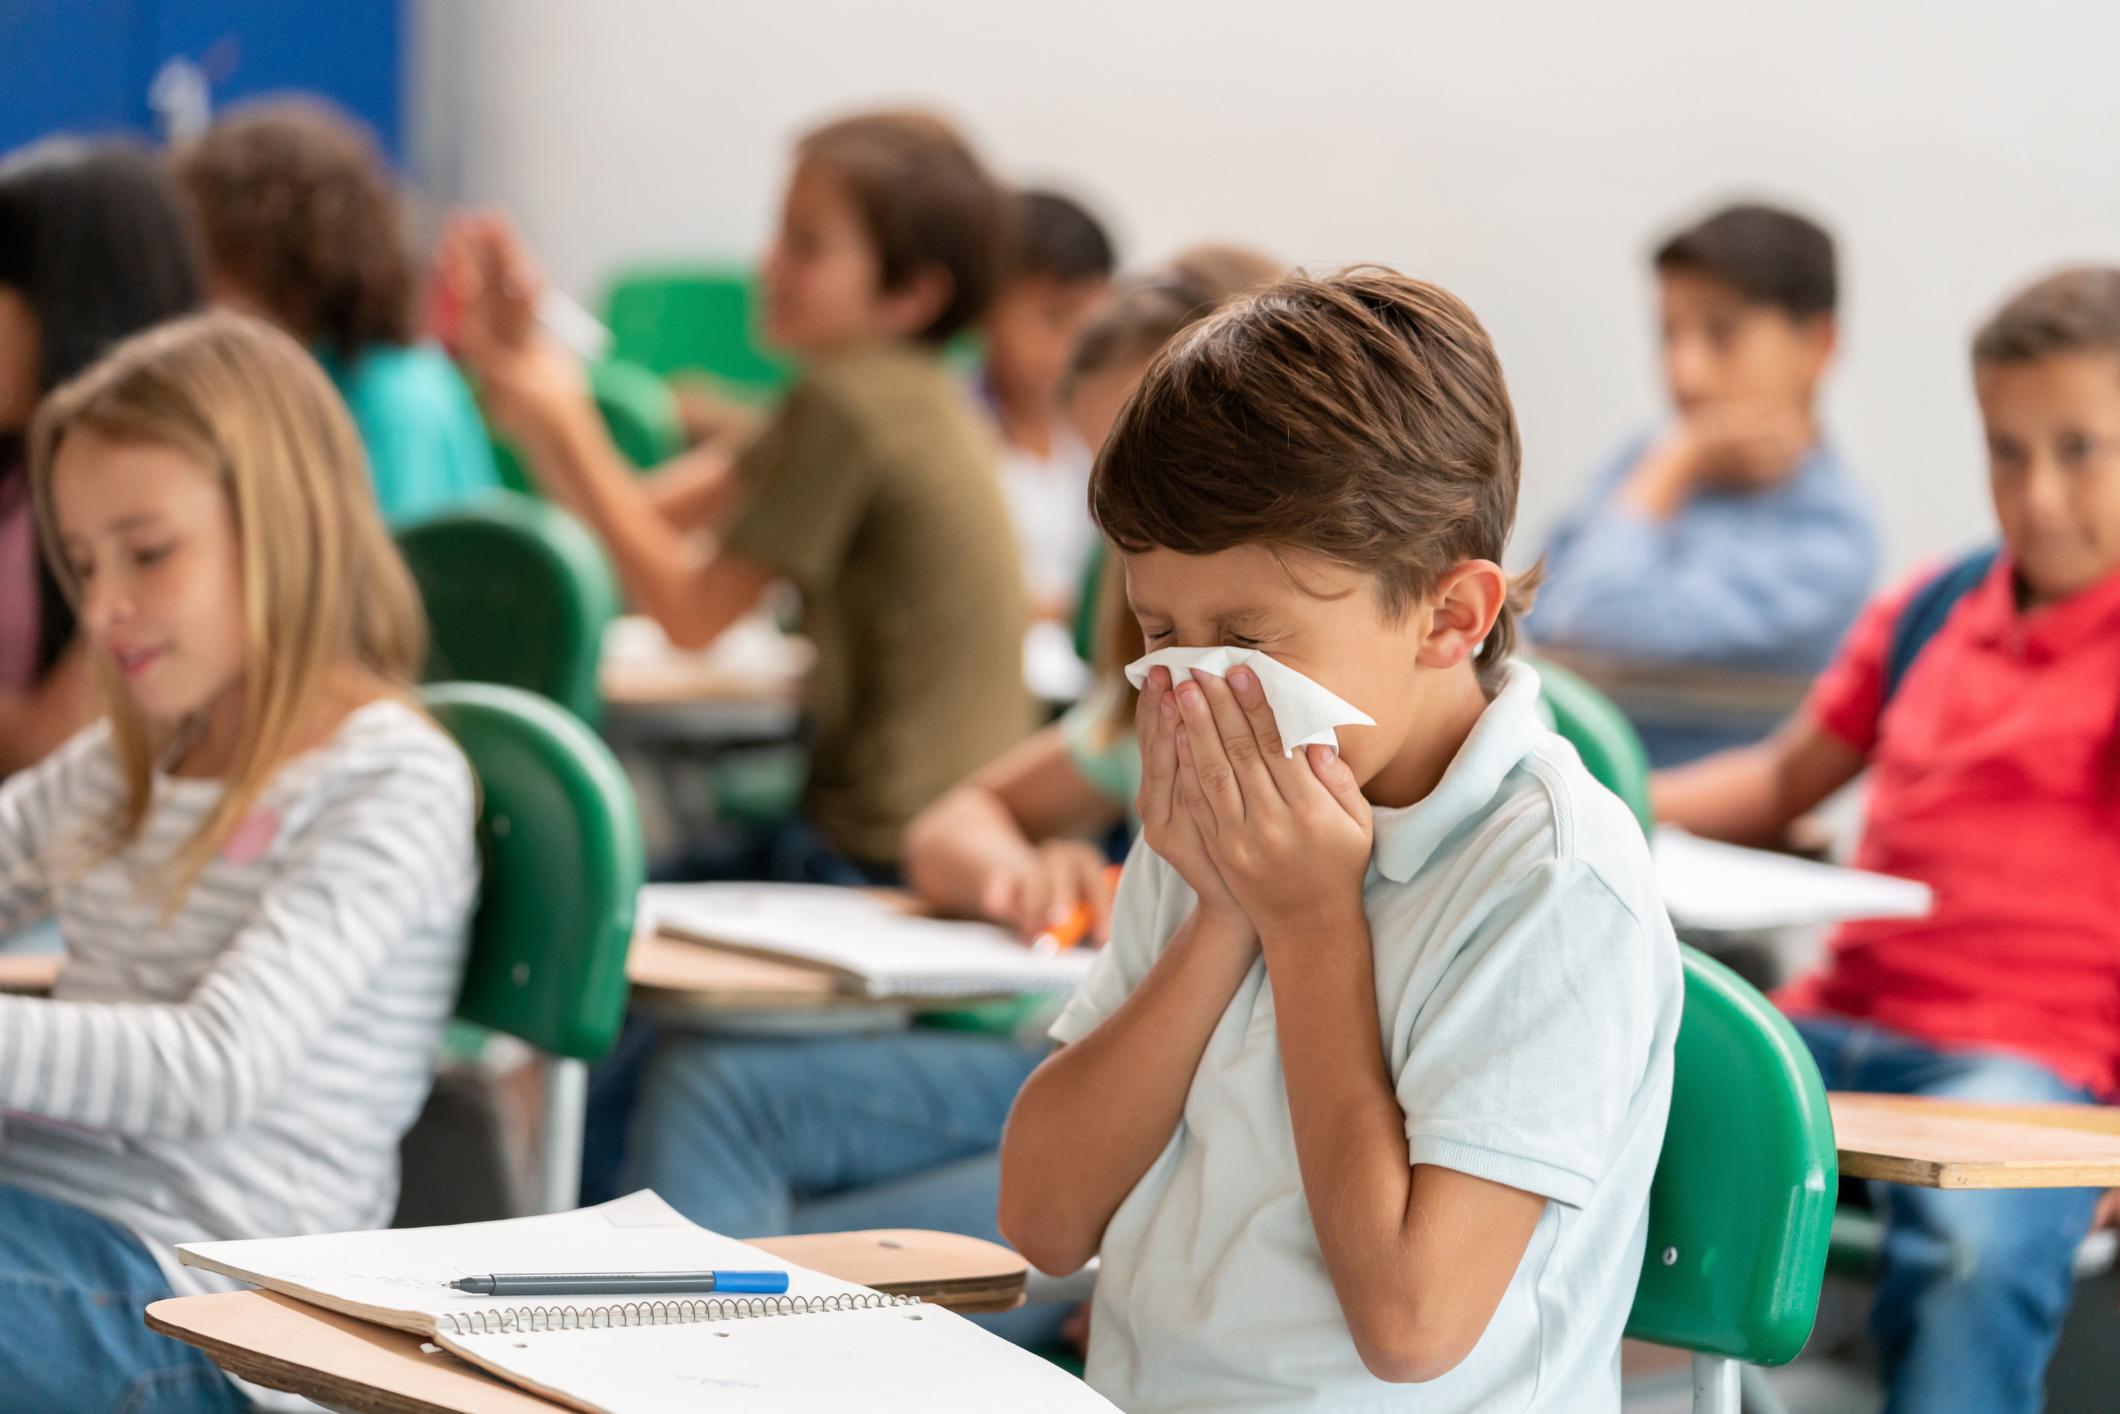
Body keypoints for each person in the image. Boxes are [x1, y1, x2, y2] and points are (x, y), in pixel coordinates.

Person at [999, 268, 1682, 1412]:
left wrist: (1309, 924)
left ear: (1446, 616)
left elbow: (1410, 1323)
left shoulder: (1550, 881)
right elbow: (1043, 1218)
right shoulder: (1227, 817)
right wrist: (1223, 912)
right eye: (1162, 632)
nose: (1199, 684)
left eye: (1249, 640)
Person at [591, 253, 1284, 1352]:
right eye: (1110, 481)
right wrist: (1017, 873)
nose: (1132, 524)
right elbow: (949, 826)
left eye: (1163, 471)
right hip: (1069, 1060)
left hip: (1158, 1123)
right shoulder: (1157, 691)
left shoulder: (1282, 709)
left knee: (745, 1204)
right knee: (715, 1142)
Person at [1655, 265, 2120, 1414]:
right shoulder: (1933, 609)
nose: (2036, 493)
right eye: (2004, 450)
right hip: (1838, 1023)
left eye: (2078, 449)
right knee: (1589, 1076)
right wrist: (1602, 798)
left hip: (2021, 1065)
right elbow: (1776, 777)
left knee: (1967, 1246)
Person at [0, 310, 479, 1409]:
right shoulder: (131, 759)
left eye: (149, 551)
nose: (106, 606)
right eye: (81, 562)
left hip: (217, 1305)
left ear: (282, 527)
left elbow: (218, 1064)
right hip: (49, 1235)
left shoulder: (391, 782)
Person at [444, 109, 1031, 881]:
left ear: (913, 295)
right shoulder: (882, 392)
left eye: (807, 246)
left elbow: (689, 614)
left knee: (577, 898)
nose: (770, 265)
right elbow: (637, 520)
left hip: (883, 856)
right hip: (923, 836)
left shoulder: (849, 409)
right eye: (780, 234)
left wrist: (569, 421)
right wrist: (536, 387)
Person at [1529, 202, 1878, 763]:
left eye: (1722, 334)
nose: (1683, 370)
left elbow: (1586, 624)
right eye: (1669, 334)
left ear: (1818, 346)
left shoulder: (1830, 539)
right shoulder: (1647, 458)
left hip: (1686, 832)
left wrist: (1676, 462)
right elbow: (1520, 609)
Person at [174, 97, 501, 525]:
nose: (199, 294)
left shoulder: (397, 404)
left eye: (218, 264)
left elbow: (394, 582)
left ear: (294, 267)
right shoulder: (287, 384)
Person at [0, 137, 204, 778]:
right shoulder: (18, 470)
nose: (103, 606)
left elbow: (54, 748)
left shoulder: (162, 488)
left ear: (69, 304)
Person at [979, 188, 1115, 620]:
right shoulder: (954, 424)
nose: (1071, 347)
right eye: (1053, 316)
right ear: (987, 304)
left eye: (1090, 325)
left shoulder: (1096, 430)